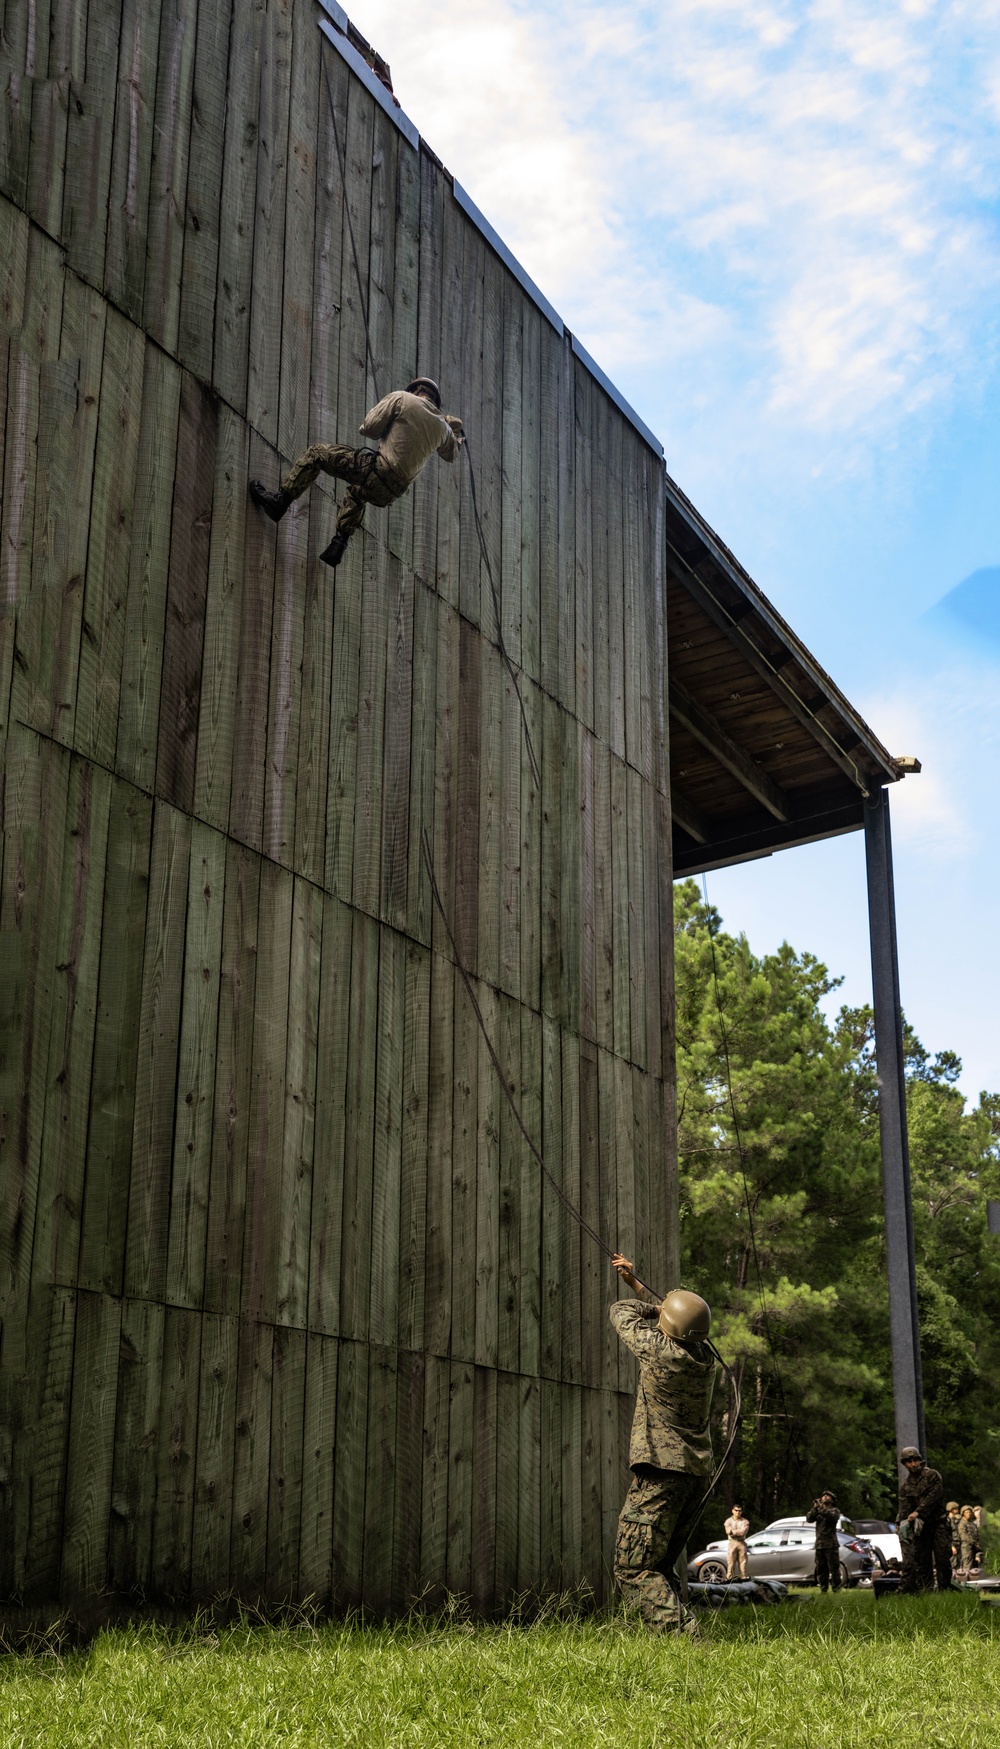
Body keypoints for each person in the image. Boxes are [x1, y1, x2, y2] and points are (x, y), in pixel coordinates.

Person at [609, 1254, 717, 1635]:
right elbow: (689, 1327)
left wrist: (651, 1302)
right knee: (659, 1567)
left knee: (633, 1567)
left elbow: (621, 1312)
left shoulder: (659, 1352)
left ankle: (686, 1637)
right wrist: (642, 1286)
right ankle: (670, 1646)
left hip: (661, 1475)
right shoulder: (705, 1359)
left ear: (667, 1325)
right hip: (694, 1476)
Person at [249, 378, 465, 566]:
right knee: (357, 493)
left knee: (316, 455)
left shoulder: (402, 398)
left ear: (416, 390)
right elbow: (452, 454)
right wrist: (453, 429)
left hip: (377, 469)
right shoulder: (442, 429)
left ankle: (280, 502)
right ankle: (338, 544)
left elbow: (369, 428)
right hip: (391, 492)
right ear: (434, 400)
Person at [896, 1444, 953, 1593]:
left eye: (915, 1460)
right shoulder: (905, 1486)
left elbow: (934, 1497)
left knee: (942, 1559)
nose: (913, 1464)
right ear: (904, 1464)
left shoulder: (932, 1475)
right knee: (922, 1560)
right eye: (909, 1462)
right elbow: (905, 1509)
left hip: (938, 1524)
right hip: (921, 1528)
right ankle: (926, 1591)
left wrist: (918, 1512)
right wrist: (902, 1524)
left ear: (920, 1460)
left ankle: (945, 1591)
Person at [806, 1491, 842, 1592]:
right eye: (823, 1496)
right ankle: (823, 1589)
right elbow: (809, 1519)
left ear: (832, 1500)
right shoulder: (818, 1511)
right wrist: (814, 1508)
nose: (825, 1497)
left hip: (831, 1545)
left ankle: (836, 1589)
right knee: (821, 1569)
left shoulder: (835, 1510)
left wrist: (820, 1508)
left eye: (828, 1496)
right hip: (819, 1545)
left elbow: (832, 1517)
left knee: (834, 1569)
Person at [724, 1505, 750, 1581]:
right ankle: (729, 1579)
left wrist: (733, 1532)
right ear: (733, 1511)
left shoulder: (745, 1521)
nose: (738, 1512)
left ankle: (743, 1578)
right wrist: (735, 1531)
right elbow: (728, 1531)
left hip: (741, 1543)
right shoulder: (728, 1521)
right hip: (732, 1543)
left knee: (743, 1563)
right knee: (731, 1563)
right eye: (736, 1510)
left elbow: (743, 1532)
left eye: (739, 1511)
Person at [956, 1506, 982, 1574]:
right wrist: (974, 1542)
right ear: (963, 1513)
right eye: (967, 1512)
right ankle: (965, 1581)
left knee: (975, 1567)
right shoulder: (961, 1523)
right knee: (967, 1565)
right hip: (966, 1547)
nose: (969, 1514)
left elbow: (977, 1535)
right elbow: (964, 1536)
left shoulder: (972, 1524)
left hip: (975, 1547)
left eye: (970, 1512)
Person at [946, 1500, 962, 1565]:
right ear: (951, 1509)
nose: (957, 1510)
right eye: (955, 1508)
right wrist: (952, 1546)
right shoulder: (947, 1521)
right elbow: (946, 1535)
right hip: (952, 1545)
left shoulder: (957, 1520)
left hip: (959, 1545)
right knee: (953, 1564)